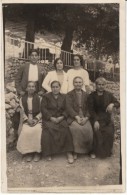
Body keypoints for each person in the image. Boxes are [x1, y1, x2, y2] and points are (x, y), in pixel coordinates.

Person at [41, 81, 74, 163]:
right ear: (51, 88)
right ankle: (49, 153)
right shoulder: (46, 96)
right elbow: (43, 109)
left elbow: (68, 108)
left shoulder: (64, 96)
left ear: (60, 87)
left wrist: (62, 117)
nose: (55, 89)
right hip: (49, 118)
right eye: (53, 87)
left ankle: (69, 152)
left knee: (66, 130)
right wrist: (51, 117)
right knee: (47, 131)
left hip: (61, 118)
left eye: (57, 87)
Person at [88, 77, 120, 158]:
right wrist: (95, 120)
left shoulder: (109, 95)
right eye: (99, 84)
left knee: (109, 131)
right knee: (97, 131)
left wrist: (112, 104)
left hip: (106, 119)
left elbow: (117, 103)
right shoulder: (91, 96)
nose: (101, 86)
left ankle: (107, 151)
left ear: (105, 85)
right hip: (95, 117)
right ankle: (95, 152)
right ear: (96, 85)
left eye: (103, 85)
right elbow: (91, 110)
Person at [66, 76, 93, 160]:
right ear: (73, 84)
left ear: (82, 84)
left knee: (88, 129)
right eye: (76, 82)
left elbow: (90, 108)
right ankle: (76, 151)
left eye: (80, 82)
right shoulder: (69, 94)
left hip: (85, 116)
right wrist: (77, 117)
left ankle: (88, 150)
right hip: (73, 117)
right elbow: (68, 107)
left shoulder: (87, 95)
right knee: (76, 129)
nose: (78, 84)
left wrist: (86, 118)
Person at [17, 81, 42, 162]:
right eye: (29, 86)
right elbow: (22, 112)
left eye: (33, 86)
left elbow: (42, 111)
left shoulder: (39, 98)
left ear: (35, 89)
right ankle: (29, 152)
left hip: (37, 120)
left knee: (37, 130)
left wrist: (36, 119)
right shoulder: (22, 99)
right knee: (26, 131)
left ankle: (37, 152)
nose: (31, 88)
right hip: (27, 119)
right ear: (27, 88)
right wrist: (27, 120)